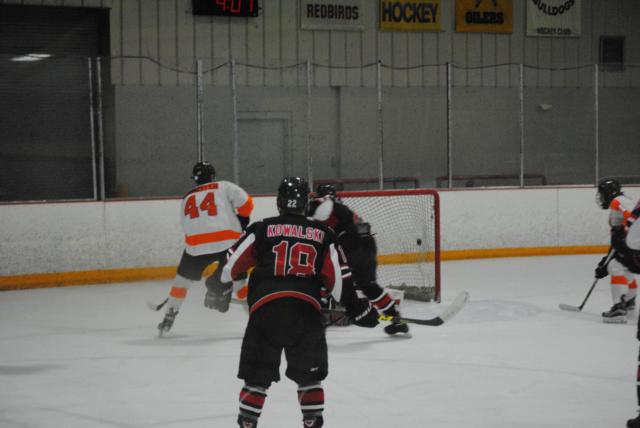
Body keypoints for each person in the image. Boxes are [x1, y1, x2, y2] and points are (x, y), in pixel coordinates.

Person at [217, 176, 379, 428]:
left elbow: (230, 266)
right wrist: (358, 309)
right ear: (305, 203)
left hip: (265, 312)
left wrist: (223, 284)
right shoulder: (324, 234)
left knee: (256, 379)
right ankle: (312, 422)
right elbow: (340, 280)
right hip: (305, 314)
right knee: (309, 378)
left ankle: (248, 423)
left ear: (280, 202)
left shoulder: (260, 229)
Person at [157, 161, 254, 335]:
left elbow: (185, 224)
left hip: (195, 246)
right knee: (239, 281)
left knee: (181, 282)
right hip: (228, 242)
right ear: (213, 176)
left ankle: (169, 315)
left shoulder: (187, 197)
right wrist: (243, 220)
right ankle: (254, 319)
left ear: (195, 179)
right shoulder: (224, 186)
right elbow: (247, 204)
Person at [308, 184, 409, 335]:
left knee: (325, 275)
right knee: (368, 285)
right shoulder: (341, 205)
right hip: (367, 243)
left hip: (350, 244)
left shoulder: (321, 203)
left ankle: (317, 318)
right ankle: (396, 319)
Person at [594, 178, 638, 323]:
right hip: (633, 245)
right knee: (622, 266)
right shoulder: (620, 202)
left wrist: (626, 231)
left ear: (608, 193)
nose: (600, 197)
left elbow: (635, 219)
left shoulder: (617, 202)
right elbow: (618, 237)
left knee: (615, 267)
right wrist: (606, 259)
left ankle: (619, 307)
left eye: (601, 193)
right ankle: (629, 300)